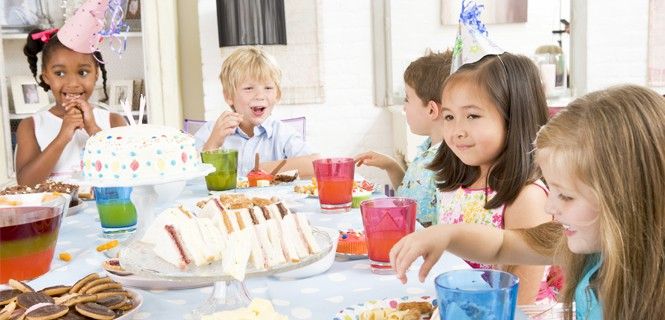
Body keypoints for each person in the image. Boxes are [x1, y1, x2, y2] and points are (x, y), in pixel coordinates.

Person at [391, 85, 665, 320]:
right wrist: (446, 234)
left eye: (566, 195)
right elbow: (502, 245)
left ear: (627, 197)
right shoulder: (594, 243)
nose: (550, 207)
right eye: (552, 189)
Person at [427, 53, 554, 304]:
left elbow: (519, 301)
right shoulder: (458, 186)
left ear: (513, 118)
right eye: (449, 116)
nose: (456, 131)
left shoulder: (526, 198)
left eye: (472, 116)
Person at [15, 28, 126, 185]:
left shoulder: (113, 121)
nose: (73, 84)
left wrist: (93, 129)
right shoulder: (30, 126)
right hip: (55, 209)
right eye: (59, 73)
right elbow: (26, 184)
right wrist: (62, 137)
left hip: (102, 208)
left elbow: (128, 170)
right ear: (46, 77)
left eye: (83, 72)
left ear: (96, 74)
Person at [354, 50, 452, 227]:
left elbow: (421, 223)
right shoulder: (427, 150)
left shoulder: (444, 162)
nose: (404, 108)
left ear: (431, 110)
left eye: (407, 99)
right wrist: (391, 166)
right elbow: (409, 199)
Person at [194, 47, 319, 177]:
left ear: (277, 95)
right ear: (229, 96)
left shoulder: (282, 134)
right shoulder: (211, 131)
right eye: (248, 88)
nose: (260, 95)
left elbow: (314, 164)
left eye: (268, 88)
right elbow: (189, 177)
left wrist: (265, 169)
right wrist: (212, 144)